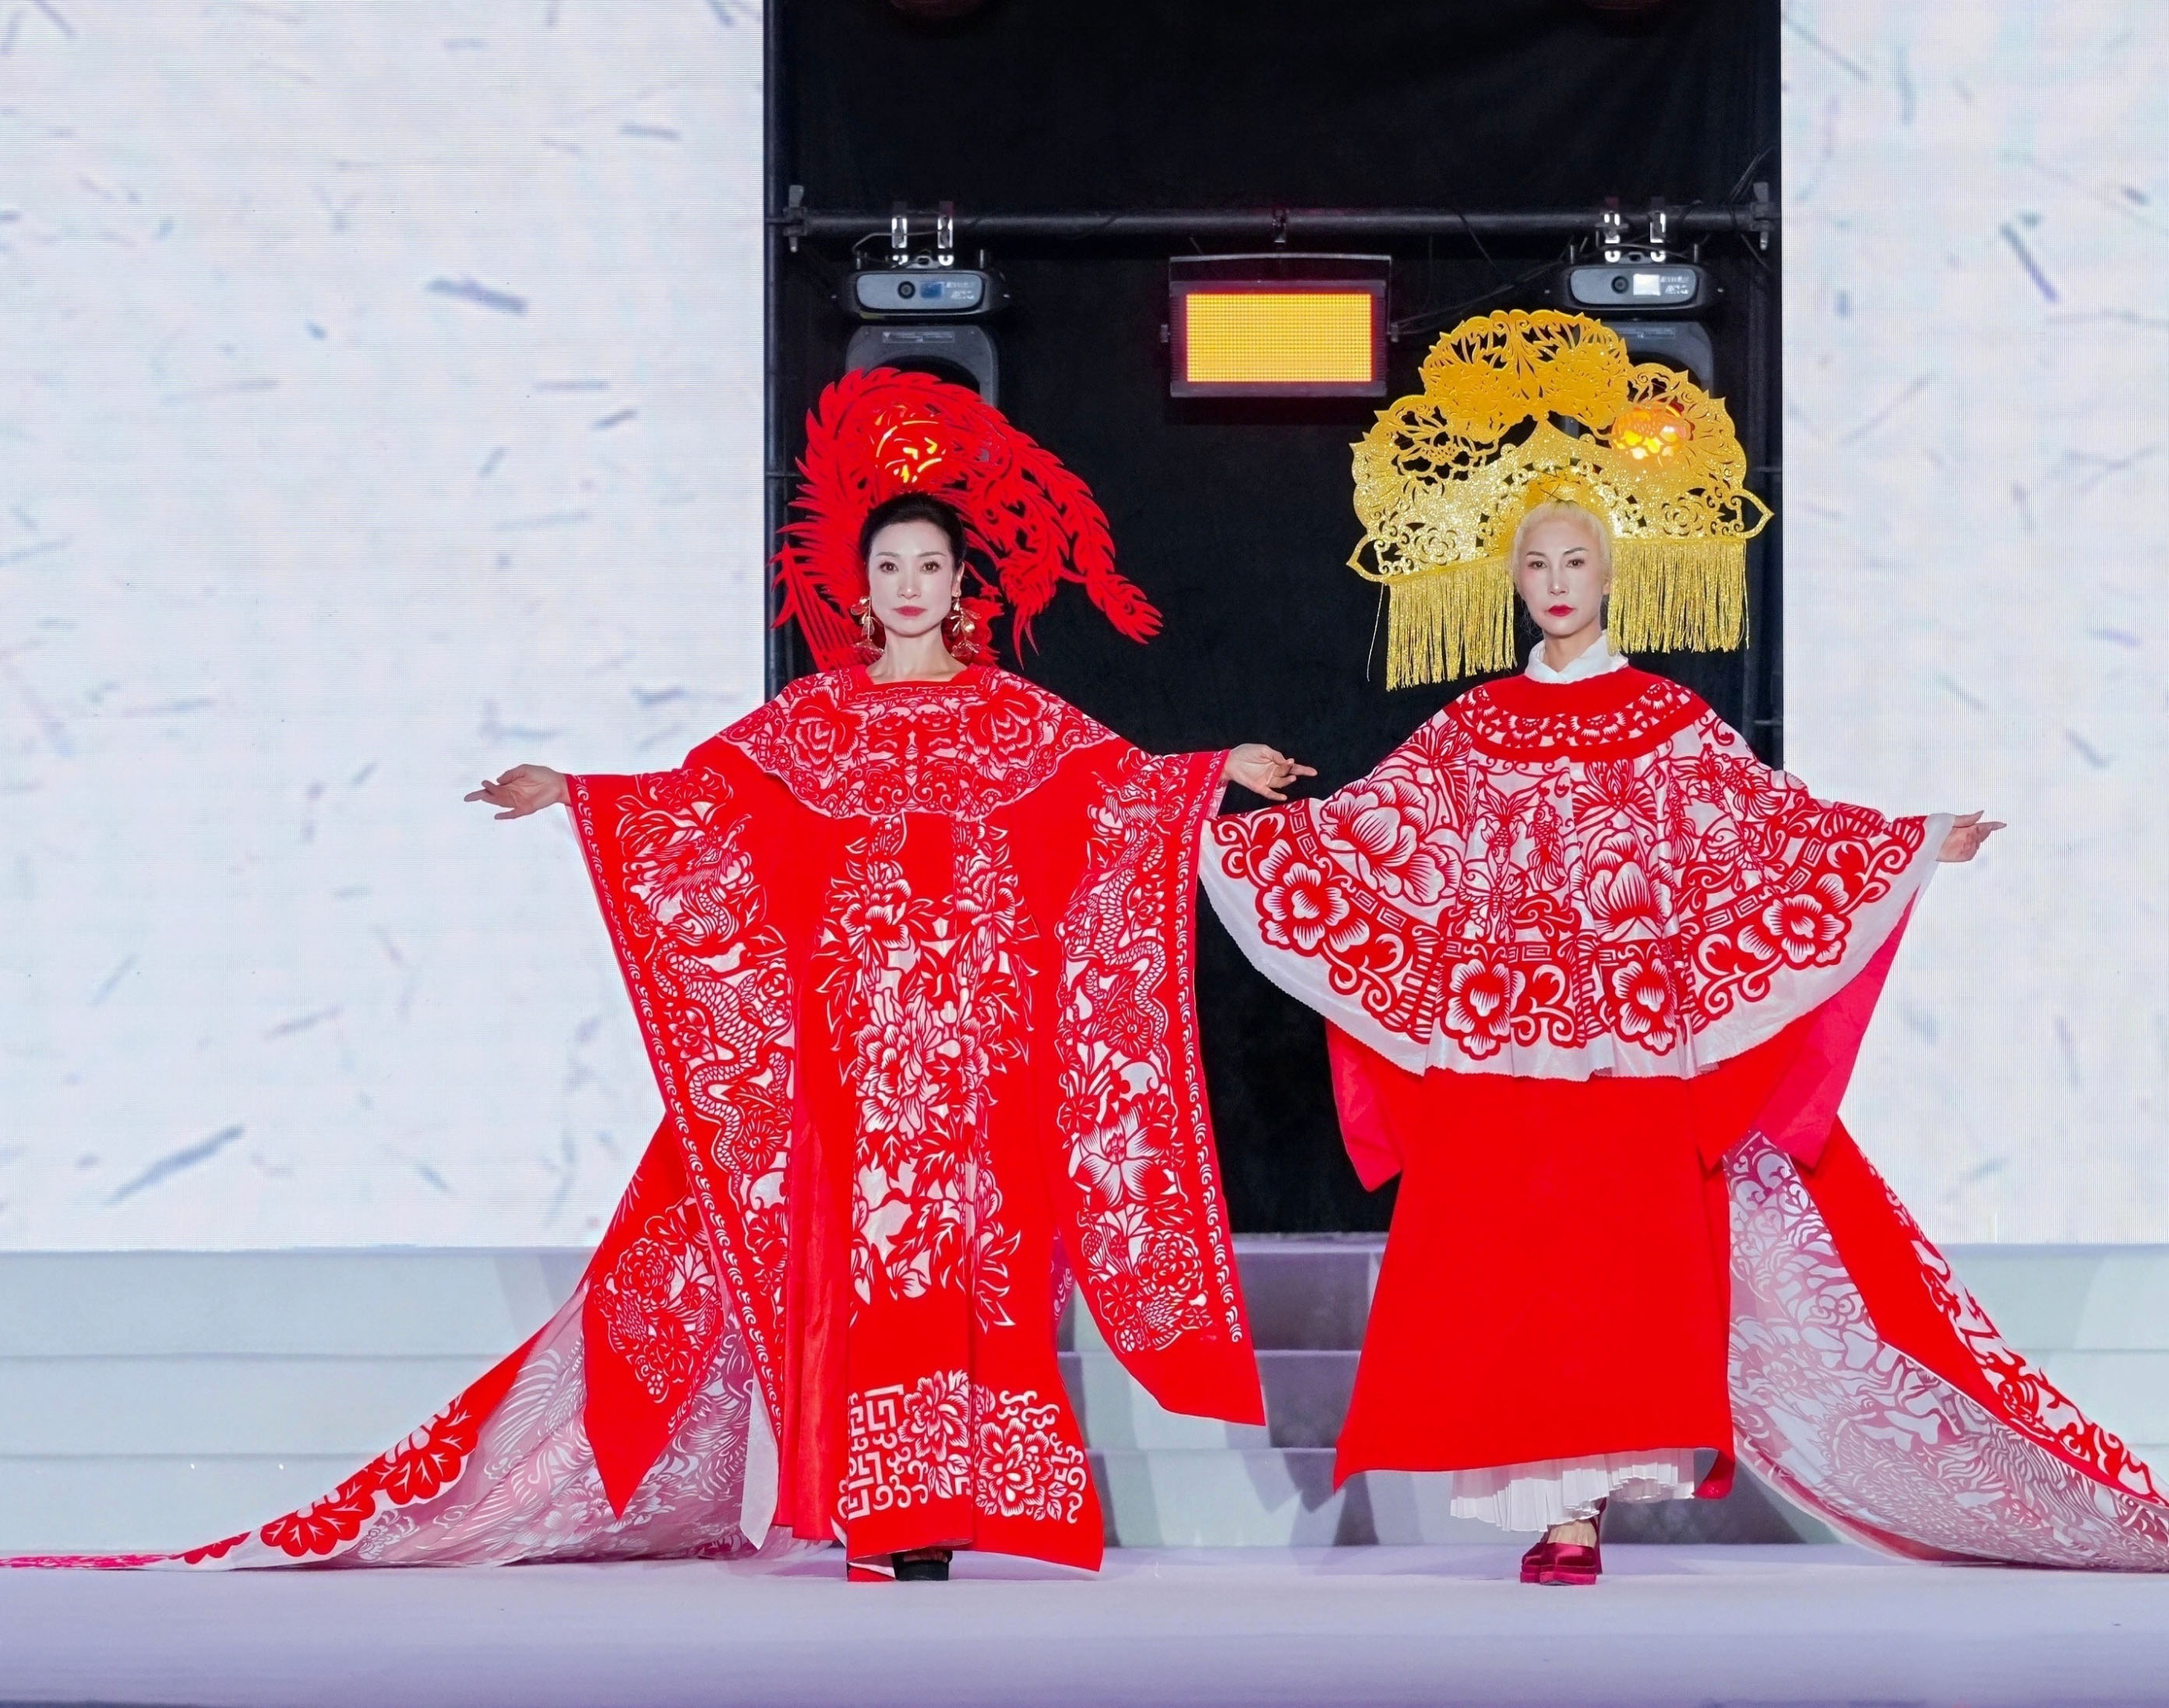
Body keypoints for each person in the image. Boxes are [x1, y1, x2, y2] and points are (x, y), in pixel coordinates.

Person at [1201, 309, 2169, 1584]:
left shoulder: (1670, 723)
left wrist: (1905, 844)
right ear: (1512, 582)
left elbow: (1773, 832)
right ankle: (1549, 1510)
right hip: (1516, 1048)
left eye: (1579, 556)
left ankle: (1584, 1512)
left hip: (1632, 1042)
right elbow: (1376, 836)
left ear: (1614, 573)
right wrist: (1218, 801)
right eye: (1538, 560)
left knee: (1615, 1280)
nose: (1559, 578)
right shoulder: (1473, 728)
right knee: (1519, 1277)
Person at [51, 369, 1310, 1579]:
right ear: (861, 591)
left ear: (960, 587)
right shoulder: (809, 721)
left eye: (930, 566)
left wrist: (1217, 771)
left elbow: (1121, 794)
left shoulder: (1020, 719)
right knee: (875, 1272)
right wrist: (576, 792)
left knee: (980, 1270)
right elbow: (703, 808)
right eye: (889, 567)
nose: (910, 586)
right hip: (857, 1056)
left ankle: (965, 1497)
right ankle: (889, 1509)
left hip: (979, 1057)